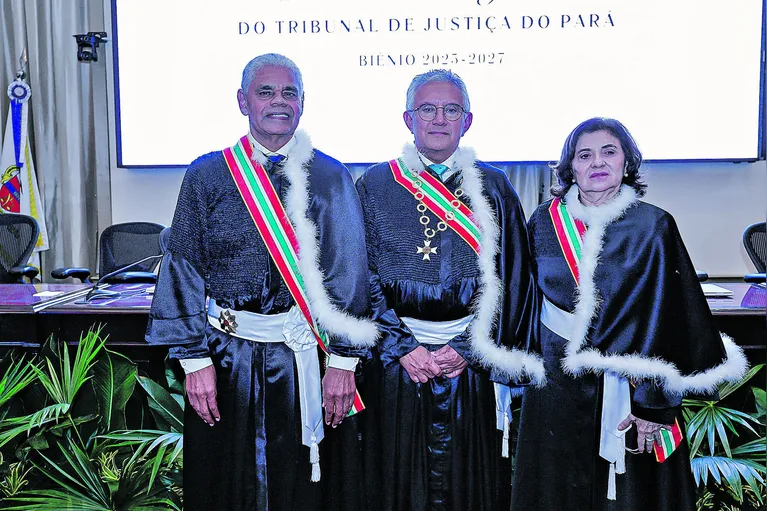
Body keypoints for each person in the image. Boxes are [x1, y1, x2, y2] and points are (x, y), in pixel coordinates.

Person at [146, 53, 378, 511]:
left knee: (305, 488)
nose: (278, 102)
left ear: (302, 104)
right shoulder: (207, 174)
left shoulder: (331, 177)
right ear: (242, 101)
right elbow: (183, 268)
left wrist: (345, 363)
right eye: (266, 92)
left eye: (289, 93)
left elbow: (351, 275)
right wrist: (193, 361)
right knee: (226, 485)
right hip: (224, 362)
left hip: (304, 360)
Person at [511, 117, 749, 510]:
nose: (597, 162)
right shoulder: (542, 221)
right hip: (555, 388)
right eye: (584, 155)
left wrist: (655, 405)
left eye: (609, 152)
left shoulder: (653, 225)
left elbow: (671, 319)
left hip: (630, 389)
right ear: (570, 167)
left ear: (627, 162)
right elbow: (524, 300)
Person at [355, 69, 545, 511]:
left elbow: (514, 279)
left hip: (470, 367)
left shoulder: (495, 187)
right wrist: (401, 346)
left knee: (473, 486)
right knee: (395, 483)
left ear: (468, 120)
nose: (439, 119)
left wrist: (468, 347)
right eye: (427, 109)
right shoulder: (374, 185)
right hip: (397, 365)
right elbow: (358, 276)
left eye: (451, 109)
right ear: (408, 118)